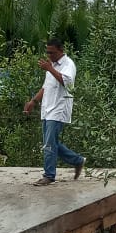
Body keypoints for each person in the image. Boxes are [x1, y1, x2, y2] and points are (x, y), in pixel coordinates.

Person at [24, 39, 86, 186]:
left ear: (60, 50)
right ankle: (78, 161)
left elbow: (67, 82)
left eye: (52, 52)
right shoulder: (51, 66)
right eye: (47, 52)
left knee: (49, 144)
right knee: (50, 143)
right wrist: (33, 101)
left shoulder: (68, 64)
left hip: (59, 109)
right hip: (47, 109)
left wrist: (50, 69)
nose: (49, 55)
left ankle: (49, 175)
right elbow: (46, 87)